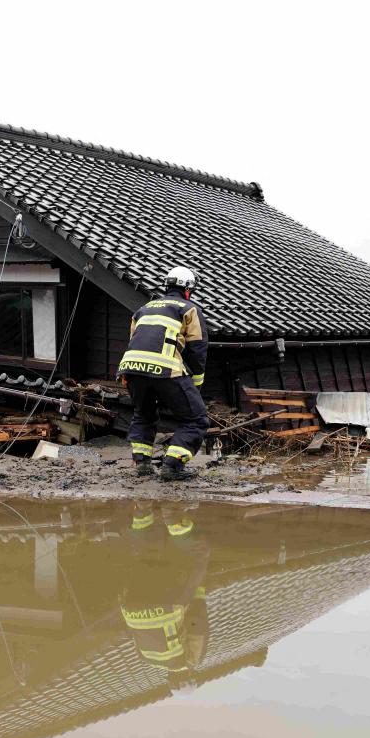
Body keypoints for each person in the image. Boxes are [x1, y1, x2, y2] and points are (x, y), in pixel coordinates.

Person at [117, 266, 209, 481]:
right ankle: (172, 466)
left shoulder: (144, 309)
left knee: (143, 414)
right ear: (189, 289)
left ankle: (142, 464)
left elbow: (135, 340)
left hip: (132, 369)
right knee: (196, 419)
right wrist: (195, 385)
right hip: (165, 368)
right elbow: (197, 349)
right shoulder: (189, 308)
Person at [119, 503, 210, 677]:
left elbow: (197, 625)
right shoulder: (146, 659)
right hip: (131, 606)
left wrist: (197, 590)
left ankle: (173, 518)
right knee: (145, 558)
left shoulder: (190, 662)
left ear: (190, 676)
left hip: (166, 606)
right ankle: (141, 511)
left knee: (197, 556)